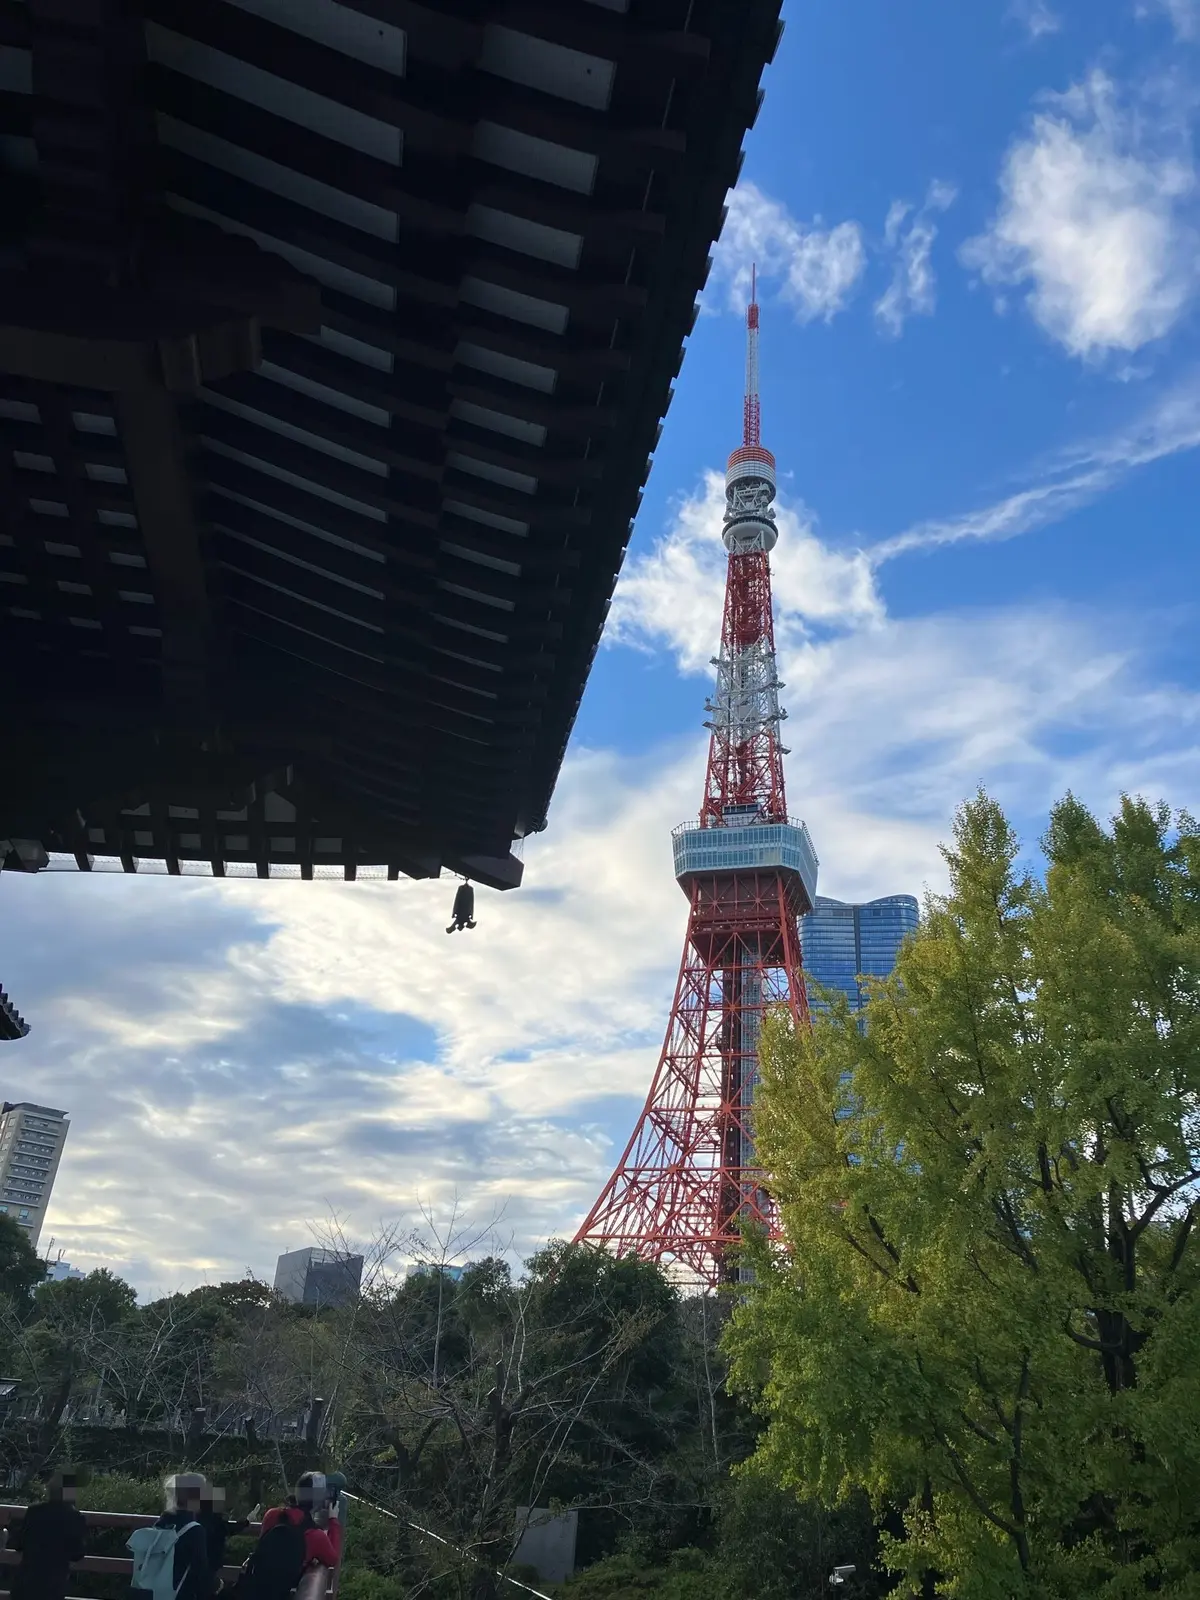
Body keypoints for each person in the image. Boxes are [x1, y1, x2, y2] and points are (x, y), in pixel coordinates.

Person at [238, 1473, 341, 1600]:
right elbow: (332, 1559)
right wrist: (333, 1520)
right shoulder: (315, 1535)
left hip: (251, 1590)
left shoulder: (272, 1515)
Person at [129, 1473, 212, 1600]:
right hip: (180, 1594)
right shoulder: (194, 1530)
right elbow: (201, 1572)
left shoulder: (161, 1523)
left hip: (152, 1592)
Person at [8, 1469, 87, 1600]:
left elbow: (18, 1544)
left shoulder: (34, 1512)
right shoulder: (75, 1517)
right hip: (52, 1587)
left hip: (25, 1583)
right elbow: (77, 1553)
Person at [196, 1485, 250, 1593]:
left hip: (199, 1560)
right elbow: (227, 1529)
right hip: (211, 1560)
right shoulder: (214, 1519)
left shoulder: (199, 1516)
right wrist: (245, 1523)